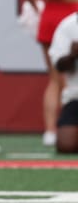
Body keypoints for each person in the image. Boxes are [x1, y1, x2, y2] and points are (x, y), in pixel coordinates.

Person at [23, 0, 78, 147]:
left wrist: (39, 7)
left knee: (54, 79)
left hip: (49, 16)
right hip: (71, 13)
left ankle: (49, 130)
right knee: (70, 79)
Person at [47, 12, 78, 153]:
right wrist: (72, 56)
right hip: (76, 96)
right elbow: (59, 66)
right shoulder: (68, 25)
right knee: (66, 145)